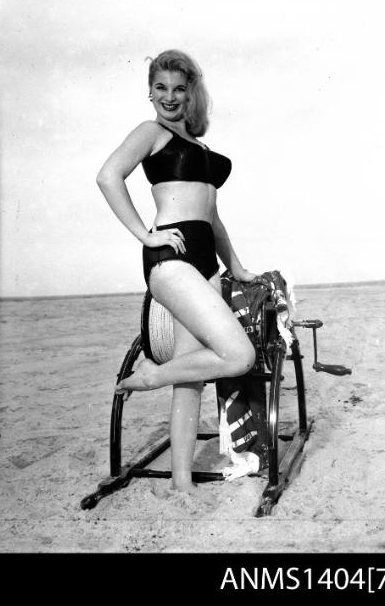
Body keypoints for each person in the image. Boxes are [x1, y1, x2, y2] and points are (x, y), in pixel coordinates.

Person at [96, 49, 258, 500]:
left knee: (190, 379)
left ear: (191, 93)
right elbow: (108, 176)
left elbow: (213, 217)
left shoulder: (201, 148)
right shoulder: (150, 132)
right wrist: (145, 237)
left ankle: (182, 484)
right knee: (238, 356)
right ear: (149, 91)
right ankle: (149, 374)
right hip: (171, 259)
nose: (169, 97)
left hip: (206, 262)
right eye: (161, 88)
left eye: (178, 88)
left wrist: (237, 268)